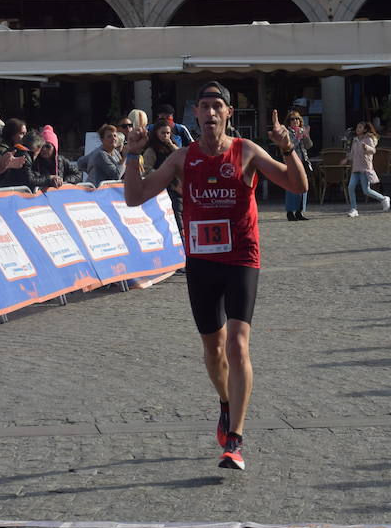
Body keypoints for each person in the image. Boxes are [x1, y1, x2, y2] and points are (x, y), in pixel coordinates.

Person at [121, 81, 307, 472]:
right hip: (202, 263)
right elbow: (135, 197)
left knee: (238, 344)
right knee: (213, 349)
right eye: (204, 106)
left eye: (217, 106)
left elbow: (298, 185)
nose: (210, 113)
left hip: (241, 258)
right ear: (195, 114)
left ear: (228, 114)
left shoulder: (246, 151)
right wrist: (133, 155)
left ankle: (235, 439)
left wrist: (287, 147)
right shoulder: (182, 158)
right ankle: (226, 402)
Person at [345, 121, 389, 217]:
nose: (358, 129)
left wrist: (367, 147)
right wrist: (346, 159)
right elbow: (352, 153)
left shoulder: (368, 139)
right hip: (355, 168)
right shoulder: (355, 140)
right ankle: (353, 209)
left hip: (364, 168)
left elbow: (373, 150)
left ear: (365, 129)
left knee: (366, 190)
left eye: (360, 127)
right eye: (357, 127)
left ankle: (383, 198)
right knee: (350, 187)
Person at [143, 117, 183, 225]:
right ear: (156, 133)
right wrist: (164, 174)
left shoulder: (172, 146)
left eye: (168, 133)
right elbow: (147, 170)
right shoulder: (151, 150)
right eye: (163, 133)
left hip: (177, 188)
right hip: (162, 190)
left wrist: (170, 144)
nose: (165, 136)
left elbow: (181, 157)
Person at [283, 109, 314, 221]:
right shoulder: (287, 132)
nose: (295, 121)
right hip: (291, 162)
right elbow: (289, 147)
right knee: (291, 186)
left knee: (303, 186)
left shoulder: (301, 131)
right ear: (289, 121)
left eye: (297, 119)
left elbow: (309, 145)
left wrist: (305, 136)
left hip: (303, 161)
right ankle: (290, 211)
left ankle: (299, 211)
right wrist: (297, 137)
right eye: (292, 119)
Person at [0, 118, 32, 187]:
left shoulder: (19, 149)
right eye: (22, 133)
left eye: (25, 133)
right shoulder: (2, 150)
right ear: (12, 134)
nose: (25, 137)